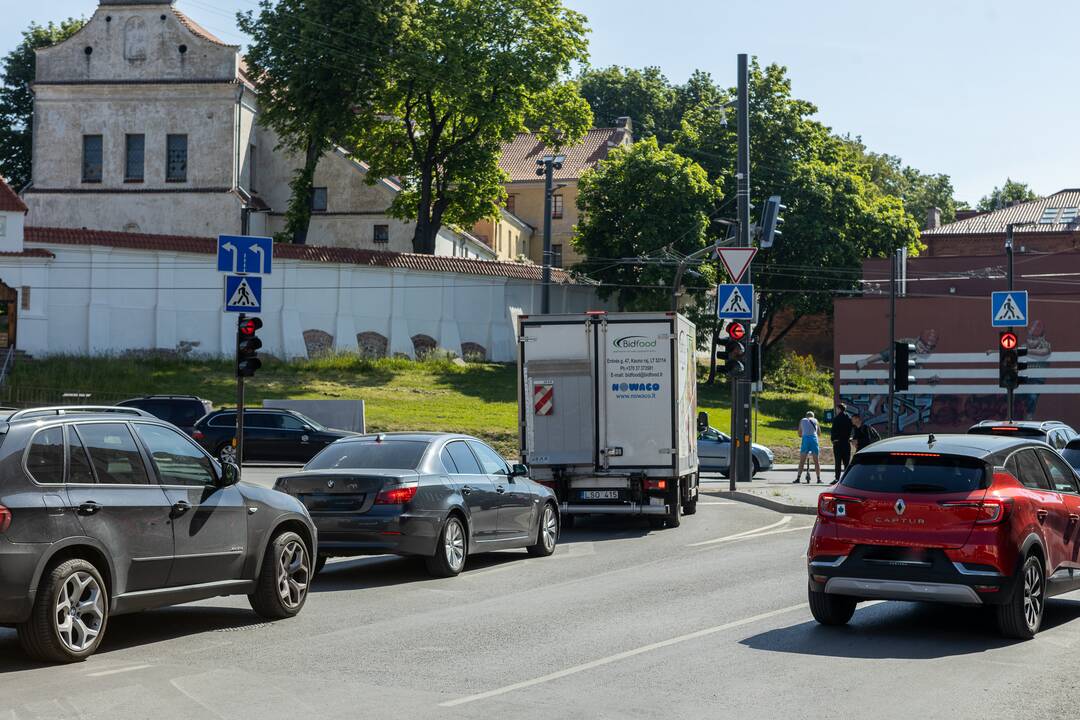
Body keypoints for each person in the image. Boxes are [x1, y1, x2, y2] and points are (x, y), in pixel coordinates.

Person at [794, 411, 822, 484]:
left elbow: (799, 433)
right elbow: (819, 433)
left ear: (806, 416)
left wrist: (802, 434)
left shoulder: (802, 420)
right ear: (813, 416)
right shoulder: (816, 420)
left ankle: (798, 478)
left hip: (805, 440)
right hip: (814, 440)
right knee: (816, 461)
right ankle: (818, 479)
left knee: (802, 461)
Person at [830, 402, 853, 484]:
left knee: (838, 461)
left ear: (839, 409)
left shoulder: (836, 419)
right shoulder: (849, 418)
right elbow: (851, 428)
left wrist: (833, 439)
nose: (836, 410)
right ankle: (847, 479)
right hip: (846, 442)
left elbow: (833, 431)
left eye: (836, 409)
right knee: (846, 462)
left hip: (838, 443)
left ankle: (837, 478)